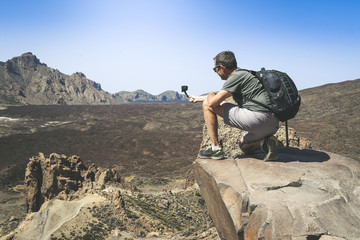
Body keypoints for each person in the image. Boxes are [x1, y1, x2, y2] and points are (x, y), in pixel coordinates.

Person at [188, 51, 279, 161]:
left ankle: (215, 148)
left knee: (207, 105)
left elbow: (212, 102)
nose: (216, 72)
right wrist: (198, 98)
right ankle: (266, 143)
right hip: (272, 123)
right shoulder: (244, 74)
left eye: (215, 69)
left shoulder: (235, 76)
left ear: (222, 67)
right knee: (244, 146)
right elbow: (223, 97)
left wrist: (210, 94)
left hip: (257, 118)